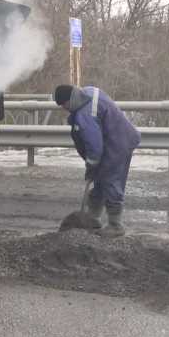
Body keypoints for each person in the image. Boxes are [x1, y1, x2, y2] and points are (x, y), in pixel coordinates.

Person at [54, 84, 141, 237]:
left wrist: (91, 166)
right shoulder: (88, 92)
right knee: (101, 179)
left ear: (70, 101)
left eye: (63, 105)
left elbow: (94, 146)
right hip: (116, 137)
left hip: (117, 144)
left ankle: (115, 225)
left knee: (110, 180)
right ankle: (93, 219)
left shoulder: (85, 115)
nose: (63, 108)